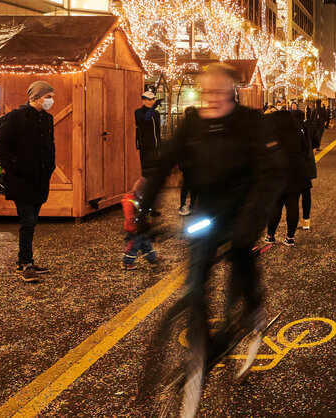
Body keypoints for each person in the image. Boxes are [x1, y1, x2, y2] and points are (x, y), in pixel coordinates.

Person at [139, 63, 285, 415]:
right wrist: (145, 213)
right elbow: (163, 164)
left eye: (220, 92)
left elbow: (271, 174)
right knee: (194, 285)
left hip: (244, 210)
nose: (213, 99)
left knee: (241, 257)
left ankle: (253, 311)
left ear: (232, 92)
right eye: (208, 93)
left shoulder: (251, 122)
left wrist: (251, 223)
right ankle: (202, 351)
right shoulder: (192, 123)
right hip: (207, 214)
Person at [0, 80, 56, 283]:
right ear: (36, 97)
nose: (51, 100)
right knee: (27, 221)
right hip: (22, 180)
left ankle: (24, 261)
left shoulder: (47, 119)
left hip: (39, 179)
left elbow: (50, 144)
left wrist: (50, 166)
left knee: (32, 220)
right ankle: (26, 263)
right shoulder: (17, 117)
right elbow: (0, 143)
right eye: (48, 97)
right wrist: (14, 165)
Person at [264, 105, 312, 246]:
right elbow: (305, 148)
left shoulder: (273, 133)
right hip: (297, 170)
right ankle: (290, 238)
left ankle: (270, 236)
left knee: (276, 205)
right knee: (293, 205)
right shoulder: (297, 130)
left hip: (278, 171)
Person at [121, 178, 159, 270]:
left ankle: (152, 259)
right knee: (133, 246)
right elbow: (129, 218)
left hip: (143, 228)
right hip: (134, 230)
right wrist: (133, 229)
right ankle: (126, 263)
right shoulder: (130, 202)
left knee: (147, 245)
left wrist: (149, 228)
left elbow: (147, 216)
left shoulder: (142, 201)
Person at [134, 91, 163, 179]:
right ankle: (144, 191)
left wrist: (160, 145)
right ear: (143, 100)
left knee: (156, 172)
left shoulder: (156, 113)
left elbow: (158, 130)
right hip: (145, 147)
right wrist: (153, 107)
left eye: (153, 99)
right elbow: (144, 120)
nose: (151, 101)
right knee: (147, 172)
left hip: (155, 146)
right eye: (149, 99)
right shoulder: (138, 112)